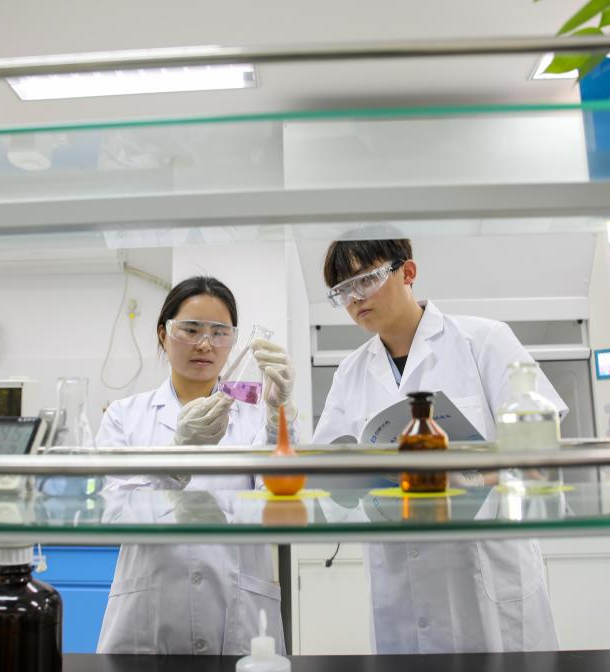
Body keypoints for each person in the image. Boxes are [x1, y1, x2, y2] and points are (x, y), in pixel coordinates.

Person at [312, 237, 566, 654]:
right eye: (342, 290)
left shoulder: (484, 340)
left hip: (484, 566)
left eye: (366, 280)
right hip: (398, 578)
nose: (354, 298)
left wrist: (468, 479)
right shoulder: (350, 372)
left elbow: (539, 448)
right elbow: (331, 472)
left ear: (408, 272)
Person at [94, 276, 296, 654]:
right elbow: (115, 515)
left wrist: (278, 420)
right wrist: (176, 457)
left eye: (220, 333)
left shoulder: (255, 416)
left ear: (234, 341)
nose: (205, 344)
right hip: (149, 611)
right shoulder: (124, 416)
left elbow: (280, 503)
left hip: (239, 608)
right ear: (163, 335)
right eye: (190, 329)